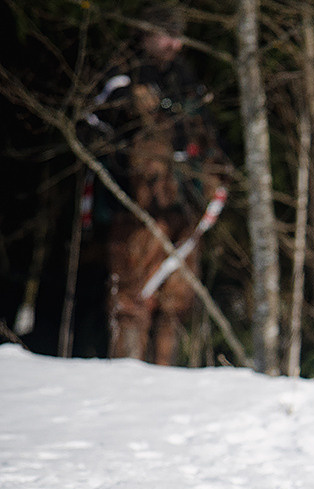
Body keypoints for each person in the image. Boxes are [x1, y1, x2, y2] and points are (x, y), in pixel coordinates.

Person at [81, 6, 229, 364]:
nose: (174, 44)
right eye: (167, 35)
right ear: (146, 33)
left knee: (175, 302)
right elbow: (92, 129)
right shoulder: (123, 75)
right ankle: (127, 375)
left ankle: (165, 379)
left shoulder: (185, 79)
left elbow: (209, 139)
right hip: (135, 210)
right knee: (132, 298)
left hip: (184, 208)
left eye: (179, 36)